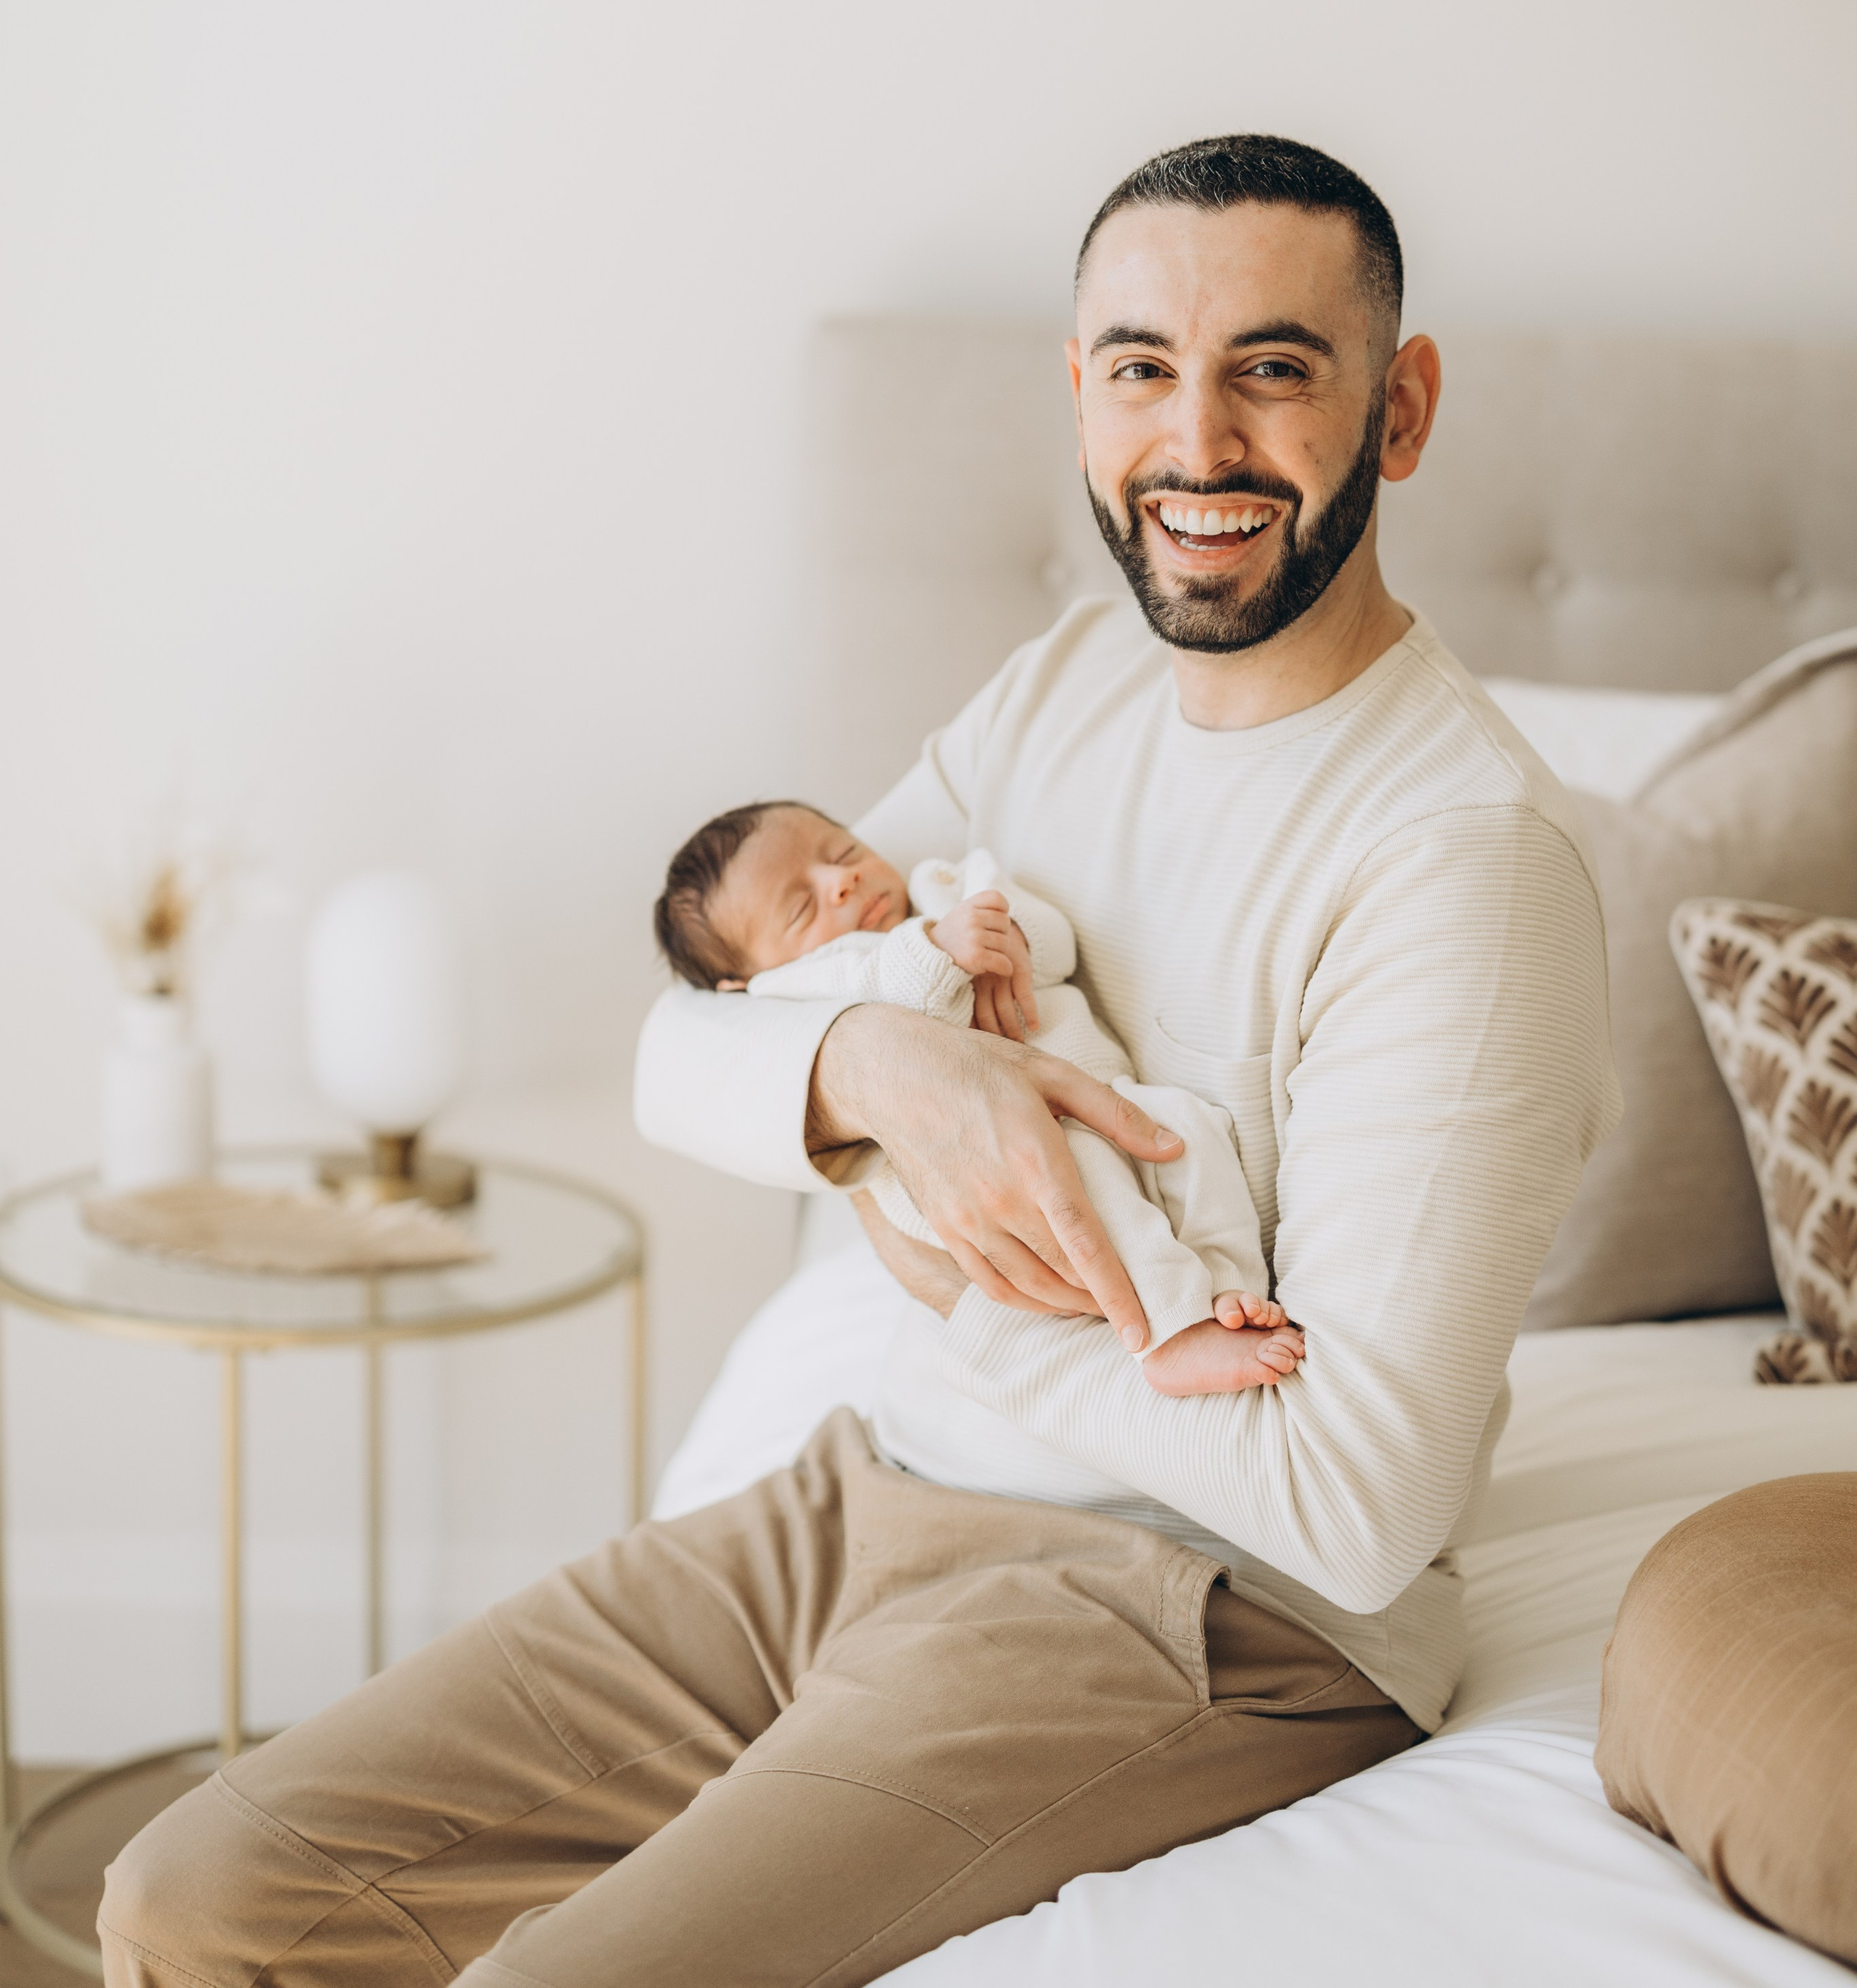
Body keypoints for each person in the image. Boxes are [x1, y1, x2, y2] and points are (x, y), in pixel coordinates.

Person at [99, 134, 1617, 1988]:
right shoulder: (1060, 687)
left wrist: (942, 1279)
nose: (1196, 439)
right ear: (1078, 397)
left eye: (1273, 366)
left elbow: (1358, 1500)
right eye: (1140, 364)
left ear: (1400, 407)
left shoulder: (1458, 857)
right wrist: (892, 1079)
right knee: (194, 1897)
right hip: (864, 1489)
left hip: (1203, 1607)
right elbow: (694, 1039)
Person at [652, 805, 1302, 1391]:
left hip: (1109, 1099)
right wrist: (935, 950)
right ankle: (1170, 1334)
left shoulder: (948, 884)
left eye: (843, 852)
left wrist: (1012, 936)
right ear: (744, 984)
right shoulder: (795, 989)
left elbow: (1057, 944)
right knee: (1084, 1182)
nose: (840, 882)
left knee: (1193, 1133)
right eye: (801, 909)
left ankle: (1228, 1288)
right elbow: (877, 985)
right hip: (988, 1164)